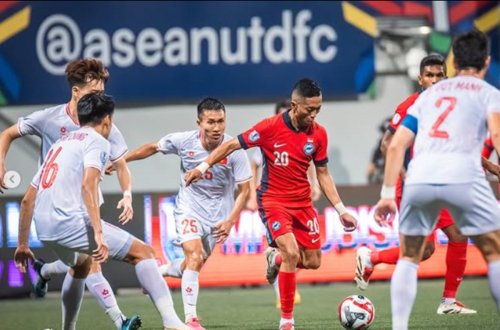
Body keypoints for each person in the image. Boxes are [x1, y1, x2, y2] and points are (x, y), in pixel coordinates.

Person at [185, 79, 358, 330]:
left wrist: (341, 210)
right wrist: (203, 166)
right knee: (291, 251)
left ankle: (274, 260)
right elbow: (233, 144)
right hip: (273, 200)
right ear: (294, 105)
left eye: (318, 109)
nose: (314, 114)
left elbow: (323, 173)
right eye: (309, 109)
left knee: (312, 262)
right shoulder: (269, 128)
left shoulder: (319, 134)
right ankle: (287, 321)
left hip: (303, 203)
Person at [14, 93, 189, 330]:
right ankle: (171, 322)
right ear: (106, 121)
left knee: (81, 266)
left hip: (44, 227)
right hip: (70, 223)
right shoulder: (97, 141)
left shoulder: (59, 145)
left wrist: (23, 244)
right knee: (143, 252)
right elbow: (89, 185)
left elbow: (27, 200)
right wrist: (97, 233)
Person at [374, 30, 500, 329]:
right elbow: (496, 134)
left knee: (410, 255)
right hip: (462, 176)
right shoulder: (488, 94)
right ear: (486, 61)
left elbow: (394, 145)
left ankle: (400, 326)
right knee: (494, 250)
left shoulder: (429, 96)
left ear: (453, 62)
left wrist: (388, 194)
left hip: (419, 178)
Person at [0, 58, 139, 329]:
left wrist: (127, 193)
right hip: (55, 202)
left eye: (101, 93)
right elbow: (7, 134)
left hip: (87, 200)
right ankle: (120, 320)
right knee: (90, 263)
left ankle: (45, 270)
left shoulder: (105, 123)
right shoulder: (49, 118)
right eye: (93, 93)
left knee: (82, 264)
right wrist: (1, 163)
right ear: (76, 91)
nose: (99, 98)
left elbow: (121, 163)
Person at [355, 54, 477, 314]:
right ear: (420, 79)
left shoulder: (449, 105)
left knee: (458, 235)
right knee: (422, 250)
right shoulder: (410, 105)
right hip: (411, 186)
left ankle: (448, 302)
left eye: (439, 75)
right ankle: (371, 257)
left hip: (438, 183)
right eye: (429, 76)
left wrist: (489, 167)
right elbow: (387, 144)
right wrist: (404, 175)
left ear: (445, 77)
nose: (434, 80)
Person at [122, 97, 252, 330]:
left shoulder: (234, 150)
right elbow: (153, 147)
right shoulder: (184, 141)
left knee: (194, 264)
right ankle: (191, 319)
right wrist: (122, 161)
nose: (217, 127)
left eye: (221, 121)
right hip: (188, 209)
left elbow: (245, 190)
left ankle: (159, 271)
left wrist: (231, 220)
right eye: (210, 122)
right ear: (199, 123)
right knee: (194, 256)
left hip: (218, 217)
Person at [246, 99, 321, 309]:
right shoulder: (268, 137)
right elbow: (254, 167)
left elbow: (310, 164)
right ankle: (282, 295)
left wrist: (314, 184)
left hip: (299, 200)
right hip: (274, 200)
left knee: (304, 257)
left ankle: (277, 261)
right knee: (287, 248)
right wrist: (252, 195)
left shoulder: (304, 137)